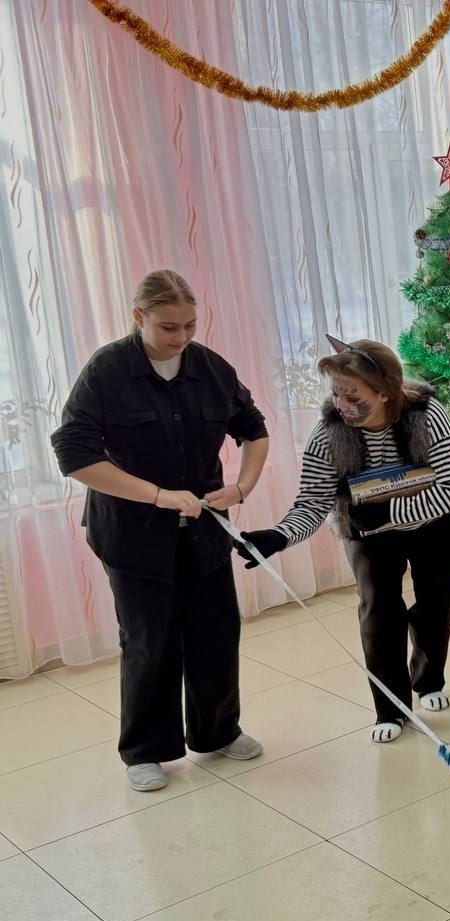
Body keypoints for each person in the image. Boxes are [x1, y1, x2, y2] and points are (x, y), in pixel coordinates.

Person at [51, 269, 269, 792]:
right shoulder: (106, 371)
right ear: (139, 317)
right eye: (169, 327)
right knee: (150, 640)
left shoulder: (210, 367)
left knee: (216, 631)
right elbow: (75, 457)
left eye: (190, 325)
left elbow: (254, 430)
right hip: (133, 533)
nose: (182, 337)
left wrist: (242, 488)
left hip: (204, 529)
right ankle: (146, 751)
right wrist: (156, 495)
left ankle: (218, 731)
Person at [236, 336, 450, 743]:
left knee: (437, 606)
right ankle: (391, 708)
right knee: (379, 612)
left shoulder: (427, 414)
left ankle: (428, 680)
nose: (341, 405)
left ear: (384, 393)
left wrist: (390, 512)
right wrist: (277, 536)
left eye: (353, 396)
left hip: (435, 524)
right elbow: (312, 502)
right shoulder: (328, 435)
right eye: (336, 394)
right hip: (367, 531)